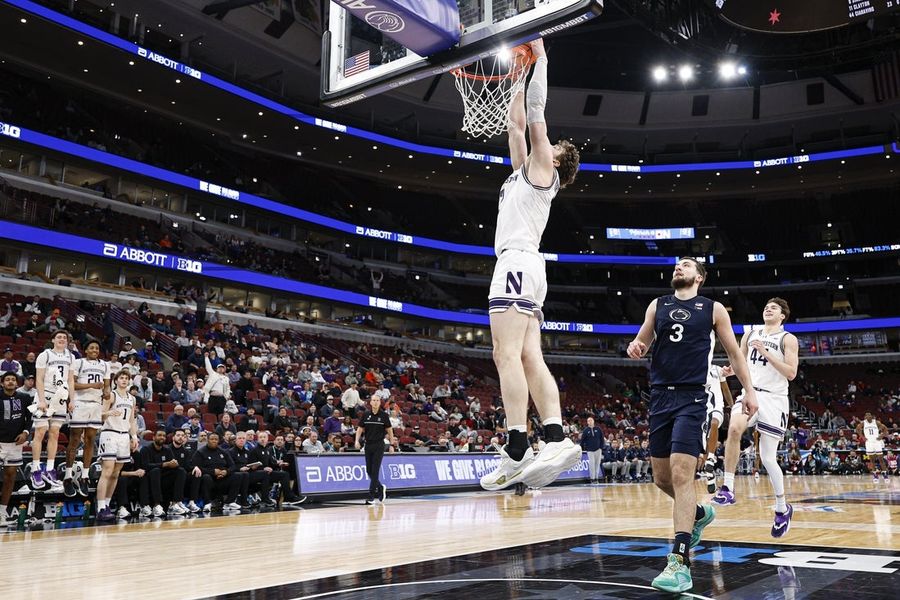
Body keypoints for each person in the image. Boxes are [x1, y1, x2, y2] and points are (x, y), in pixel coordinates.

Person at [480, 39, 582, 493]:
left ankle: (521, 443)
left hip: (517, 261)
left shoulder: (545, 168)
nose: (548, 143)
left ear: (558, 161)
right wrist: (518, 75)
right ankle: (552, 437)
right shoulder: (525, 170)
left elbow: (536, 116)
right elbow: (516, 122)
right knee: (526, 355)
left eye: (554, 146)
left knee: (505, 355)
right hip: (525, 265)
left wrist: (541, 57)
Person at [627, 257, 757, 593]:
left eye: (686, 265)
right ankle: (699, 513)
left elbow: (735, 354)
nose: (678, 268)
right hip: (659, 397)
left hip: (692, 398)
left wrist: (750, 391)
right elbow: (642, 342)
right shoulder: (658, 305)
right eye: (677, 266)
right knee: (661, 478)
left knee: (683, 475)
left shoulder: (713, 309)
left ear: (699, 277)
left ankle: (679, 562)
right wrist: (636, 347)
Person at [712, 298, 798, 539]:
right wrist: (730, 369)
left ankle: (782, 509)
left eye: (774, 308)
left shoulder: (787, 339)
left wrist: (766, 353)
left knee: (768, 458)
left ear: (783, 316)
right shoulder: (749, 334)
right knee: (734, 429)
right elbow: (739, 360)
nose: (768, 309)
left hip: (776, 399)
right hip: (751, 392)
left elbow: (791, 373)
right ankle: (728, 487)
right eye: (766, 306)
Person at [64, 340, 110, 497]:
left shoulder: (105, 365)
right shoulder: (79, 363)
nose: (95, 350)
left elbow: (107, 386)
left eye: (97, 348)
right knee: (75, 440)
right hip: (80, 403)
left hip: (96, 404)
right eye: (91, 347)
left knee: (91, 440)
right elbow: (72, 384)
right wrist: (92, 386)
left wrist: (107, 392)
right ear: (86, 350)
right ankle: (68, 476)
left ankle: (84, 476)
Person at [31, 329, 76, 490]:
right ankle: (35, 469)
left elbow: (70, 380)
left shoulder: (71, 356)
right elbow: (39, 379)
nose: (62, 339)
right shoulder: (45, 355)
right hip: (45, 396)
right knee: (41, 431)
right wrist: (41, 399)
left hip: (61, 397)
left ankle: (50, 469)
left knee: (55, 433)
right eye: (59, 337)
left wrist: (72, 399)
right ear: (53, 339)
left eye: (65, 337)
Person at [95, 370, 140, 521]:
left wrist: (134, 436)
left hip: (124, 436)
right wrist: (108, 413)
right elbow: (99, 413)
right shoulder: (112, 395)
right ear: (116, 380)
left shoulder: (132, 398)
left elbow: (132, 420)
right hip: (110, 433)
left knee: (116, 473)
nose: (124, 380)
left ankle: (107, 505)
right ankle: (100, 507)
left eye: (127, 378)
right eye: (121, 378)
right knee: (107, 471)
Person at [0, 372, 32, 526]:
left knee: (10, 477)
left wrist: (26, 433)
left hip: (15, 444)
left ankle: (2, 513)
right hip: (0, 442)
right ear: (2, 383)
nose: (11, 382)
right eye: (7, 379)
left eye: (13, 379)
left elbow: (30, 419)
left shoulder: (24, 398)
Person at [191, 432, 247, 512]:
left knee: (238, 475)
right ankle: (207, 503)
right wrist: (213, 472)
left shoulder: (223, 452)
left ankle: (229, 502)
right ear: (207, 440)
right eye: (212, 439)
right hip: (209, 481)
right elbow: (196, 467)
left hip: (222, 479)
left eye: (216, 439)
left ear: (218, 441)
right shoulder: (200, 452)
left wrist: (226, 472)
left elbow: (233, 466)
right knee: (206, 477)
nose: (214, 441)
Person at [355, 394, 394, 504]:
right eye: (374, 400)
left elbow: (390, 431)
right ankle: (380, 487)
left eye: (377, 400)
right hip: (368, 445)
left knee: (375, 471)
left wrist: (392, 445)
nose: (376, 402)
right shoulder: (366, 414)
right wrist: (357, 441)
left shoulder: (384, 416)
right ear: (370, 402)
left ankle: (371, 497)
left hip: (379, 445)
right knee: (369, 471)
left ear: (380, 402)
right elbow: (360, 429)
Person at [140, 430, 189, 516]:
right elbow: (145, 466)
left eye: (164, 436)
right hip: (150, 478)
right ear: (154, 437)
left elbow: (172, 462)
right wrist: (163, 464)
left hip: (164, 477)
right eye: (159, 435)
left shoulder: (167, 450)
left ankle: (174, 504)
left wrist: (175, 464)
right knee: (156, 471)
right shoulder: (146, 449)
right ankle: (156, 505)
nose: (162, 437)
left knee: (181, 471)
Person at [701, 364, 732, 494]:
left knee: (714, 422)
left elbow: (725, 389)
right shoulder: (693, 368)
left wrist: (733, 406)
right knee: (703, 445)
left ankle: (711, 458)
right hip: (702, 408)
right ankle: (710, 475)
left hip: (717, 405)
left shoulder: (716, 369)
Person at [857, 411, 890, 482]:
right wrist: (862, 437)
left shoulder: (876, 422)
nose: (867, 417)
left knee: (881, 459)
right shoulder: (863, 423)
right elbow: (857, 429)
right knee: (872, 460)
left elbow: (885, 429)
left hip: (876, 441)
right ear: (865, 417)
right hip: (869, 442)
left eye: (869, 415)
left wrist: (881, 436)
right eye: (866, 416)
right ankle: (875, 475)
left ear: (871, 416)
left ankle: (885, 474)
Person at [580, 417, 603, 484]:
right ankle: (592, 479)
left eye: (591, 420)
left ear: (593, 421)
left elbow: (602, 439)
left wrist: (601, 447)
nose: (589, 422)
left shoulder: (598, 429)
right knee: (591, 464)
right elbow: (582, 440)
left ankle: (596, 478)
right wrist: (581, 448)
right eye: (588, 421)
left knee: (597, 464)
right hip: (590, 450)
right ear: (587, 422)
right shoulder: (586, 430)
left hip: (598, 450)